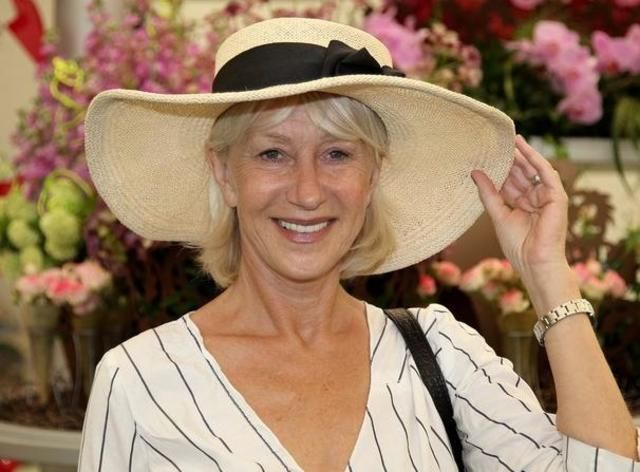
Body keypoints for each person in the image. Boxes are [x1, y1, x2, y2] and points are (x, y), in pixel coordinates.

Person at [78, 17, 639, 471]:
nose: (307, 191)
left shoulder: (440, 354)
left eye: (337, 154)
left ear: (373, 178)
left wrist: (547, 273)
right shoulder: (140, 380)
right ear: (225, 174)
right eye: (273, 153)